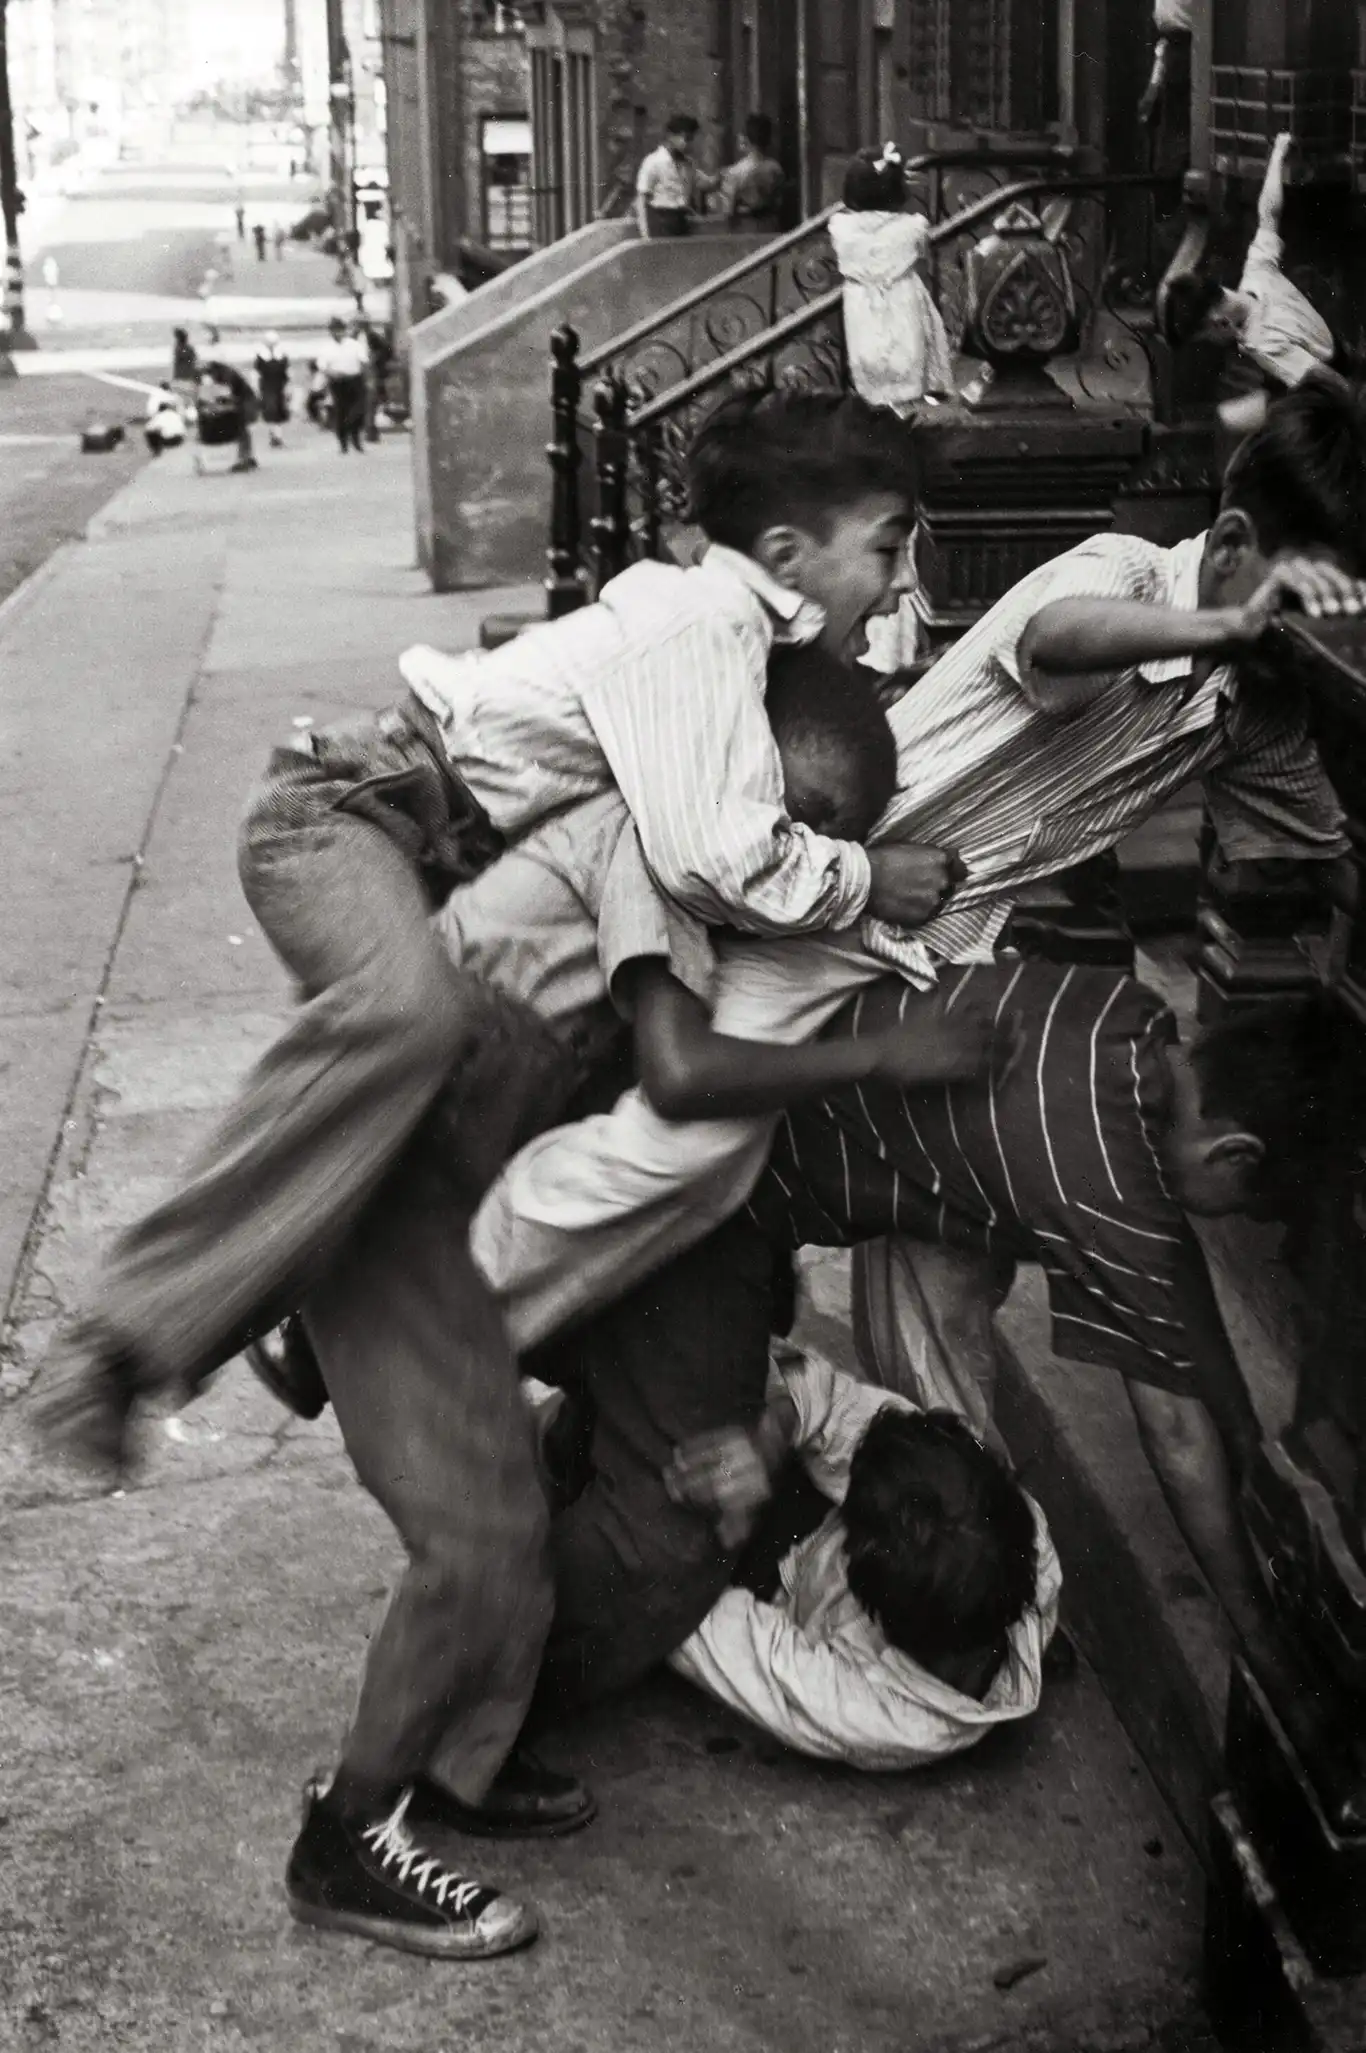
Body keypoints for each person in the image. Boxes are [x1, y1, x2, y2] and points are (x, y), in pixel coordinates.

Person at [268, 651, 1010, 1959]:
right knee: (491, 1539)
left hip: (619, 1212)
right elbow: (669, 1069)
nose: (810, 857)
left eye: (832, 838)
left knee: (588, 1515)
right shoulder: (638, 844)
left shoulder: (743, 861)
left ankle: (462, 1745)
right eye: (798, 825)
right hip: (453, 1225)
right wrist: (883, 1044)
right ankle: (357, 1822)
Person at [469, 373, 1366, 1368]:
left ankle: (928, 1429)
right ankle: (458, 1312)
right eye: (1300, 606)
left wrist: (1261, 653)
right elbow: (1055, 638)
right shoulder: (1129, 573)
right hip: (814, 885)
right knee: (685, 1145)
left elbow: (1322, 851)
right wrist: (1231, 626)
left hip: (925, 942)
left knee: (954, 1224)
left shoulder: (1256, 706)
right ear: (1231, 547)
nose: (1312, 635)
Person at [663, 1345, 1059, 1769]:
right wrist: (764, 1444)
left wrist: (673, 1521)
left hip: (751, 1584)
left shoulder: (866, 1707)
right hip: (800, 1505)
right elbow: (832, 1399)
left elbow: (698, 1627)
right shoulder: (1006, 1519)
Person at [1162, 132, 1338, 436]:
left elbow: (1328, 385)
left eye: (1207, 338)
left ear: (1217, 322)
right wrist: (1278, 153)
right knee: (1237, 410)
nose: (1213, 343)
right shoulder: (1258, 272)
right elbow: (1269, 212)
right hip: (1327, 357)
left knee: (1231, 418)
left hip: (1331, 384)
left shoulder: (1263, 343)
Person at [829, 143, 954, 413]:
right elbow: (923, 260)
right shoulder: (913, 227)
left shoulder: (842, 228)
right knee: (910, 362)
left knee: (869, 367)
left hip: (861, 303)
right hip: (903, 300)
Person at [636, 113, 714, 239]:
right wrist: (645, 234)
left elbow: (702, 183)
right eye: (685, 138)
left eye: (691, 139)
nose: (687, 144)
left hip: (683, 220)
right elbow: (642, 199)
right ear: (670, 136)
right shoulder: (653, 162)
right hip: (661, 221)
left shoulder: (689, 164)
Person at [720, 114, 786, 235]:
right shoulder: (776, 169)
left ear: (745, 139)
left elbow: (728, 211)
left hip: (745, 229)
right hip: (771, 228)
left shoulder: (735, 172)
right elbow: (779, 202)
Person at [317, 316, 369, 453]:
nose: (337, 333)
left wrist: (364, 376)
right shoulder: (326, 348)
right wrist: (332, 373)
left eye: (339, 330)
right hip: (338, 382)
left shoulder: (354, 345)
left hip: (354, 379)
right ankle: (343, 444)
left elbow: (364, 361)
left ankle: (356, 439)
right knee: (341, 411)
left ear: (344, 331)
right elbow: (322, 366)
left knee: (357, 410)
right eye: (334, 331)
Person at [199, 361, 259, 473]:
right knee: (242, 430)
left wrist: (217, 404)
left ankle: (244, 459)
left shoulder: (227, 375)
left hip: (246, 402)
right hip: (245, 400)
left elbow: (226, 395)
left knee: (241, 429)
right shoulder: (224, 373)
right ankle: (247, 457)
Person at [254, 332, 290, 449]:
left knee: (278, 412)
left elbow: (286, 373)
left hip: (279, 387)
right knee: (271, 411)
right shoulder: (261, 356)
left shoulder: (282, 356)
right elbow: (257, 374)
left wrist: (288, 387)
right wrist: (256, 388)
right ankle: (275, 436)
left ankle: (276, 436)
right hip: (267, 387)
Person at [144, 384, 186, 456]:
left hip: (169, 441)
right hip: (180, 439)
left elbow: (148, 428)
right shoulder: (175, 414)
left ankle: (156, 451)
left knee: (150, 431)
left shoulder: (159, 416)